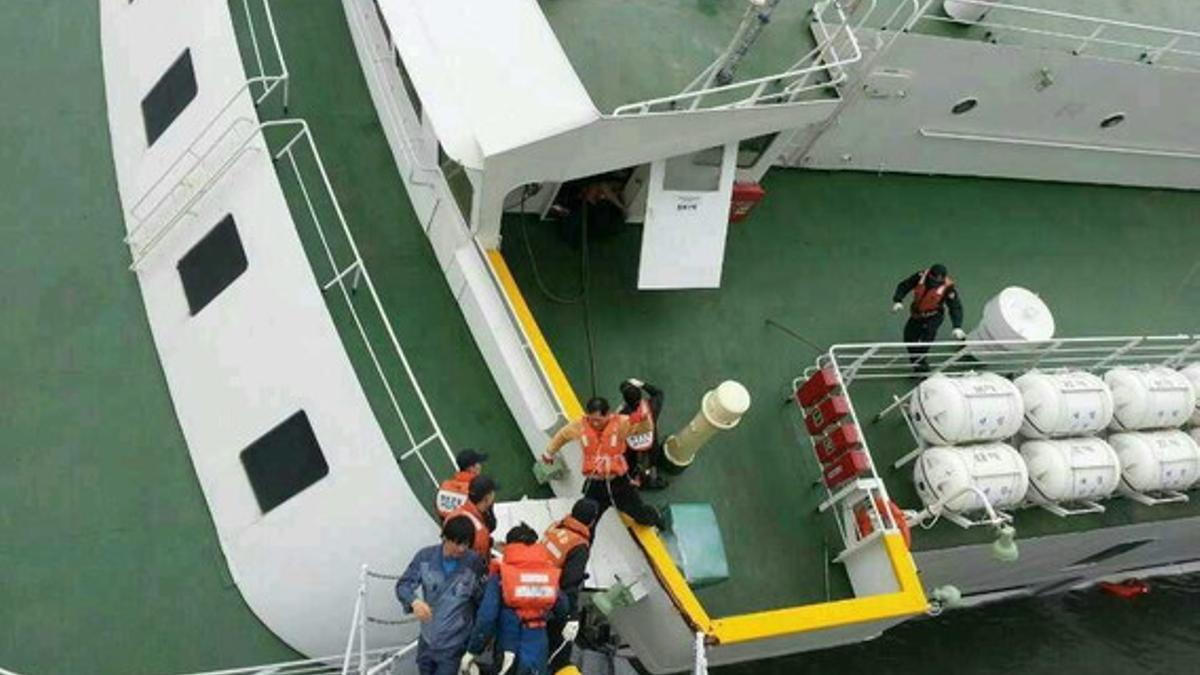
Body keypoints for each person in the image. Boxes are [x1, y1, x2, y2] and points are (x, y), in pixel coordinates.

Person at [460, 524, 568, 675]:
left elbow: (487, 616)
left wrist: (473, 650)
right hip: (539, 644)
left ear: (509, 545)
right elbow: (563, 607)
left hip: (510, 645)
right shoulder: (547, 574)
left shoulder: (502, 575)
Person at [542, 397, 663, 528]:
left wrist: (644, 419)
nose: (594, 424)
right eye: (591, 419)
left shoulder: (622, 423)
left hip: (619, 482)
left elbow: (645, 429)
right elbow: (563, 435)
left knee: (640, 512)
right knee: (586, 522)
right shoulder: (580, 426)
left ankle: (656, 518)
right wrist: (549, 452)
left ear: (608, 414)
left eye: (598, 420)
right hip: (596, 484)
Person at [394, 516, 487, 675]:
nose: (462, 549)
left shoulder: (474, 563)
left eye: (466, 544)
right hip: (427, 642)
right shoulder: (425, 558)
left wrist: (480, 638)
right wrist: (414, 602)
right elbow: (403, 585)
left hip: (454, 645)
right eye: (458, 543)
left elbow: (482, 601)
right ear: (445, 538)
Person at [543, 499, 599, 674]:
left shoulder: (556, 527)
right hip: (551, 598)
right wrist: (572, 616)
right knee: (561, 644)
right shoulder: (579, 546)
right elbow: (570, 584)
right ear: (591, 521)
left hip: (536, 581)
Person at [891, 263, 965, 372]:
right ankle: (916, 360)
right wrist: (898, 300)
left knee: (926, 338)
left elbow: (955, 307)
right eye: (934, 280)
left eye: (939, 282)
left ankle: (921, 364)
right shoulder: (920, 276)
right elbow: (905, 285)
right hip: (917, 314)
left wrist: (957, 326)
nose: (935, 283)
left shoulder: (948, 288)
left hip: (934, 316)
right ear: (929, 275)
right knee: (909, 338)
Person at [618, 379, 667, 490]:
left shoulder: (622, 416)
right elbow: (659, 393)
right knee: (650, 463)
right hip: (651, 446)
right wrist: (642, 384)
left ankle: (631, 481)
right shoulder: (652, 407)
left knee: (630, 466)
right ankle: (649, 479)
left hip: (632, 450)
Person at [445, 475, 498, 559]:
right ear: (487, 498)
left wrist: (491, 542)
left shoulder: (452, 515)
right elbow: (479, 563)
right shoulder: (480, 531)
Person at [435, 448, 489, 519]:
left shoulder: (444, 486)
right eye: (478, 463)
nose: (480, 466)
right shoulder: (477, 491)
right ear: (471, 468)